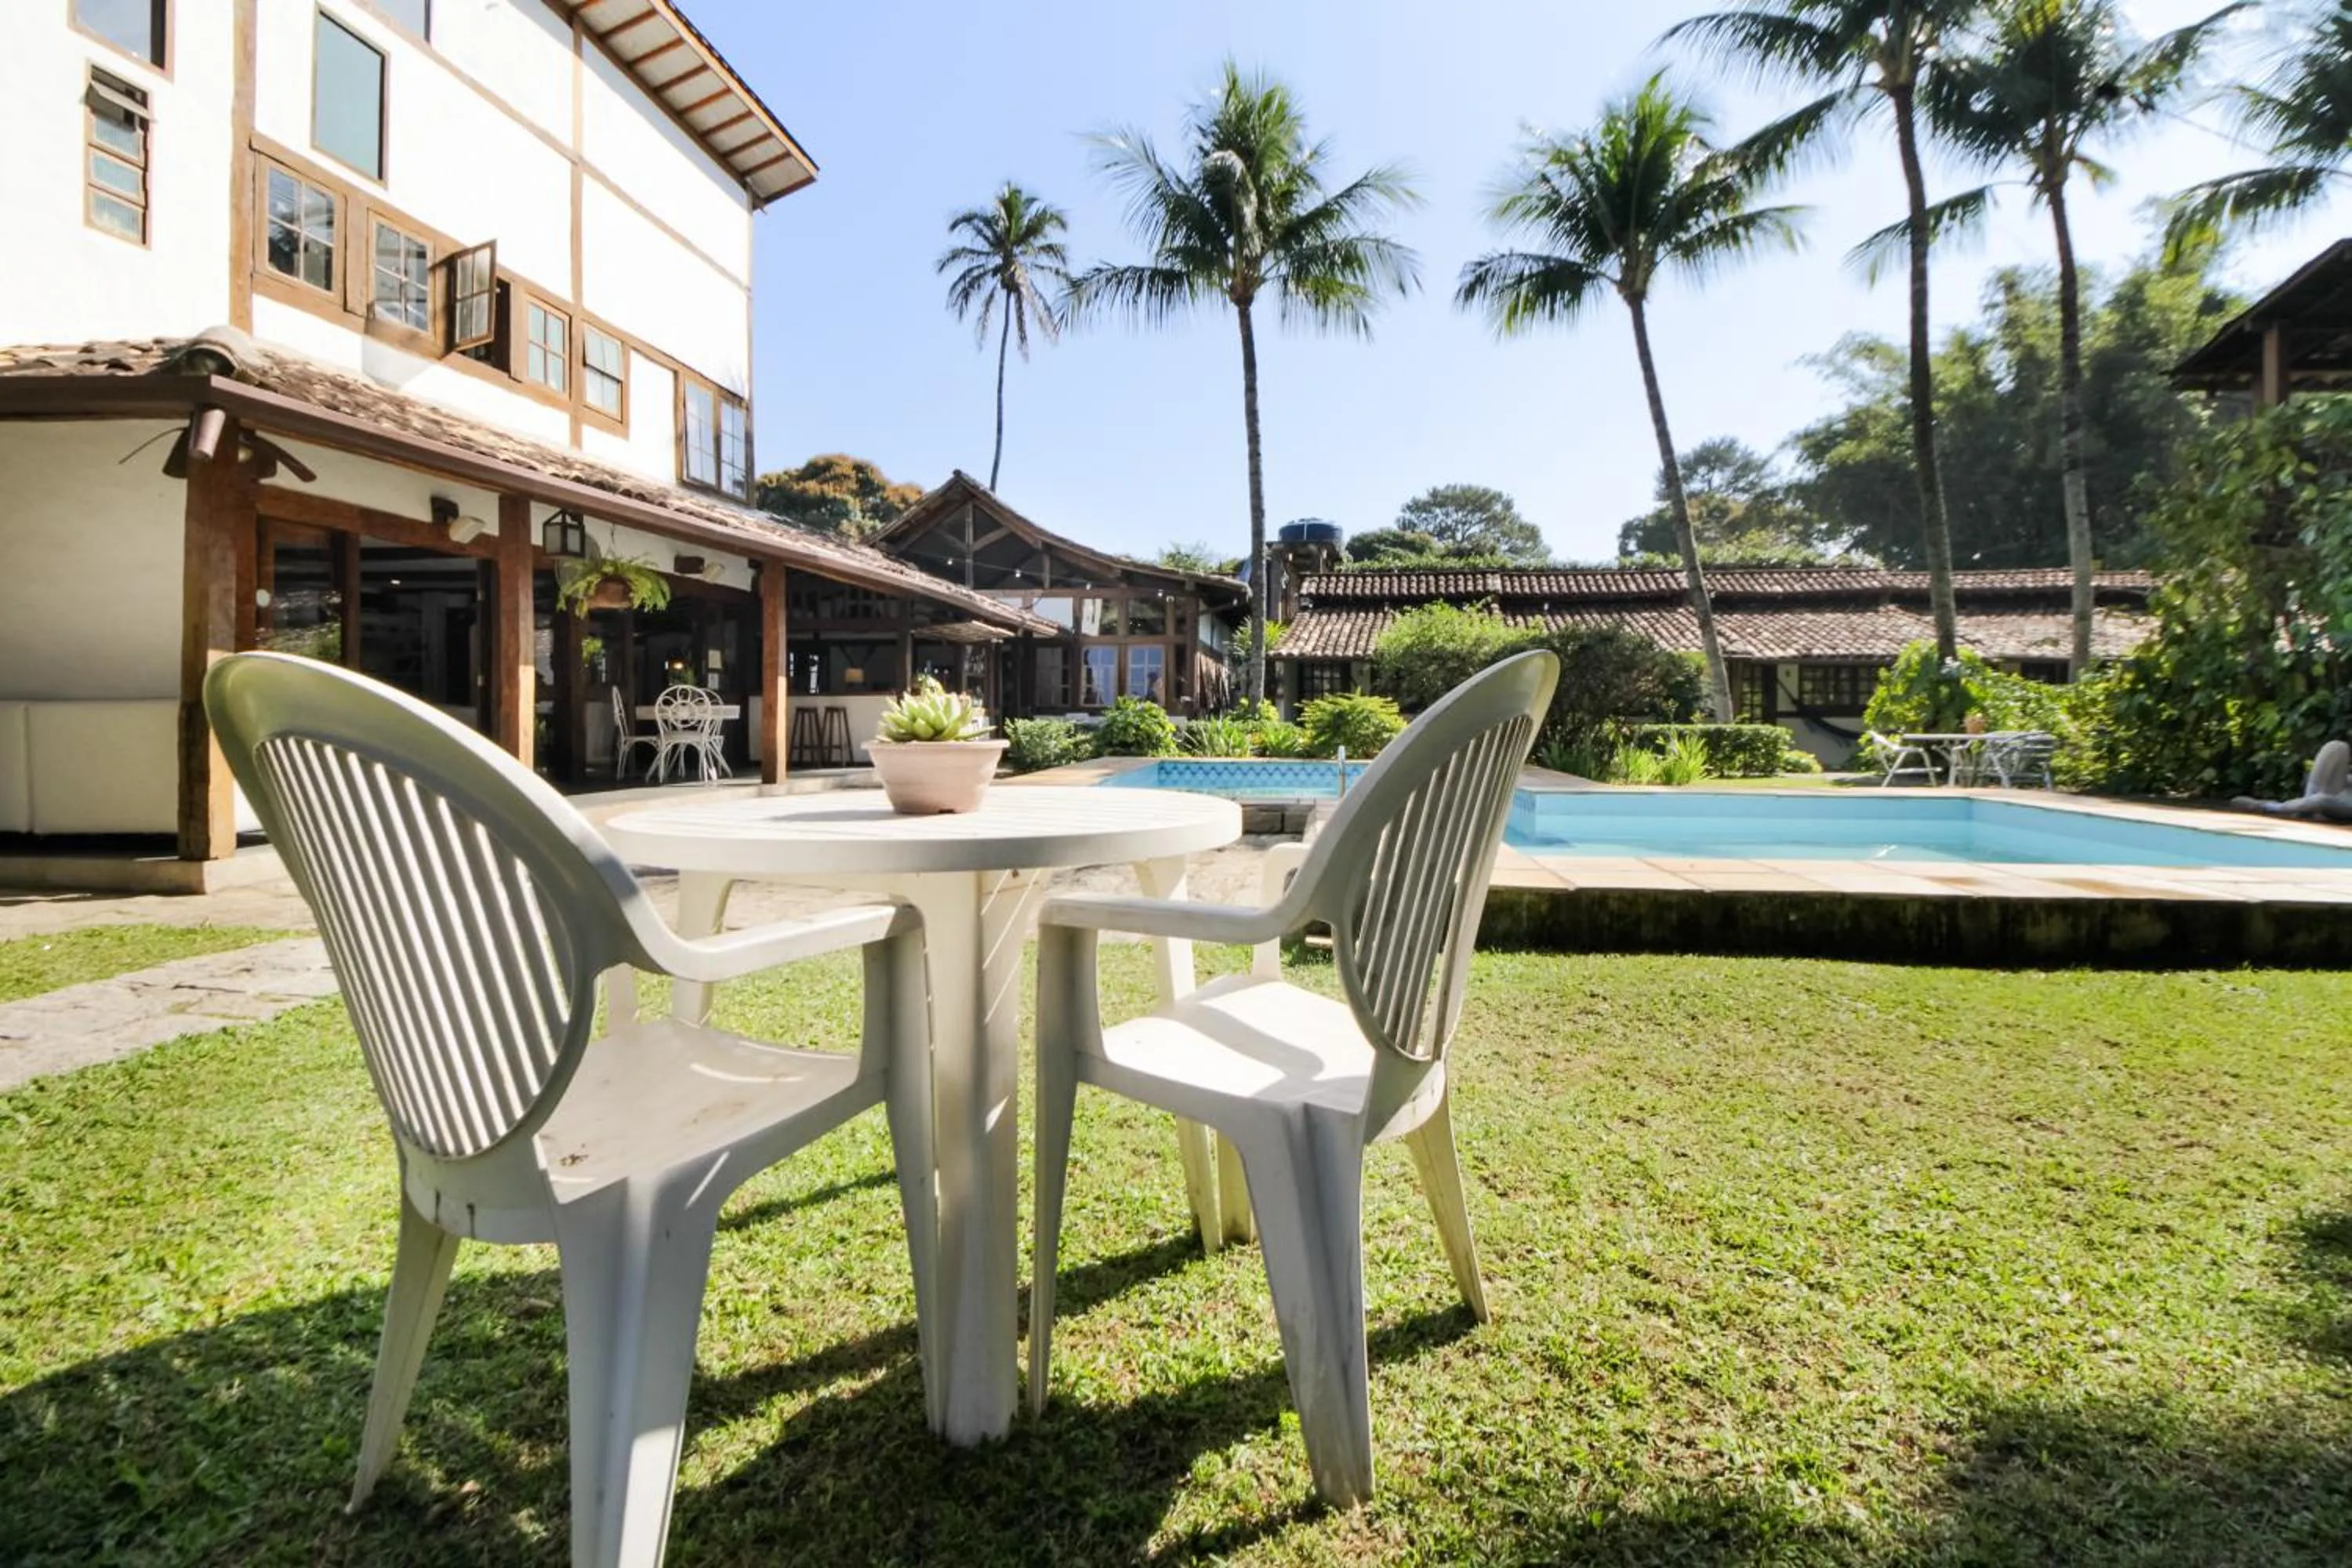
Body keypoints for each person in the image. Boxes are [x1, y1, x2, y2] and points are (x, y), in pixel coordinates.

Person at [2234, 741, 2352, 822]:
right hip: (2342, 790)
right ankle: (2307, 807)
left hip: (2343, 805)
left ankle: (2268, 807)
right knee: (2336, 747)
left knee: (2321, 799)